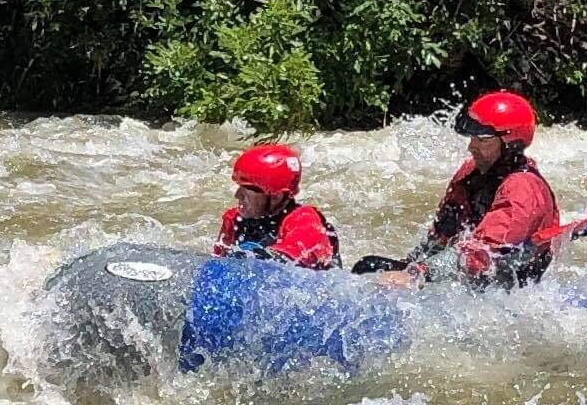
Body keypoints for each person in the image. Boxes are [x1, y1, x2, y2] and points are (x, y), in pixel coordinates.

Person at [366, 91, 560, 289]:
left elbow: (481, 254)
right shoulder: (471, 172)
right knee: (368, 266)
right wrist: (409, 265)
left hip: (507, 291)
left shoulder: (522, 191)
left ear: (510, 143)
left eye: (482, 139)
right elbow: (441, 236)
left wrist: (418, 273)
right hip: (467, 275)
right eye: (472, 137)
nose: (471, 147)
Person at [213, 143, 341, 269]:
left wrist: (249, 260)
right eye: (239, 186)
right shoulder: (234, 219)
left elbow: (291, 261)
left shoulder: (305, 221)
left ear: (276, 196)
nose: (237, 195)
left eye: (247, 189)